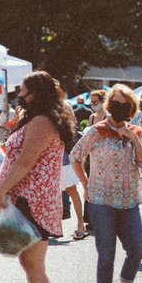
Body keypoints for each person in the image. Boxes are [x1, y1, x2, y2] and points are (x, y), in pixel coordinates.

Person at [0, 71, 75, 283]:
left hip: (35, 200)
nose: (20, 95)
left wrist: (3, 188)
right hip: (30, 198)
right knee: (30, 262)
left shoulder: (42, 122)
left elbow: (25, 162)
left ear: (37, 94)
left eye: (24, 90)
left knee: (34, 264)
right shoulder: (38, 119)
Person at [70, 84, 142, 283]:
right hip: (101, 200)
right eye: (114, 103)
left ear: (131, 109)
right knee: (106, 254)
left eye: (124, 105)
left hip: (129, 200)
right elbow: (76, 157)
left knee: (137, 249)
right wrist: (85, 185)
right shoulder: (96, 131)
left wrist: (133, 138)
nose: (119, 108)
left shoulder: (135, 131)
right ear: (108, 106)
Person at [60, 102, 88, 240]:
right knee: (55, 194)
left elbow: (72, 125)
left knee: (72, 191)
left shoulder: (64, 106)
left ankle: (80, 224)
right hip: (55, 159)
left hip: (65, 158)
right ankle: (57, 226)